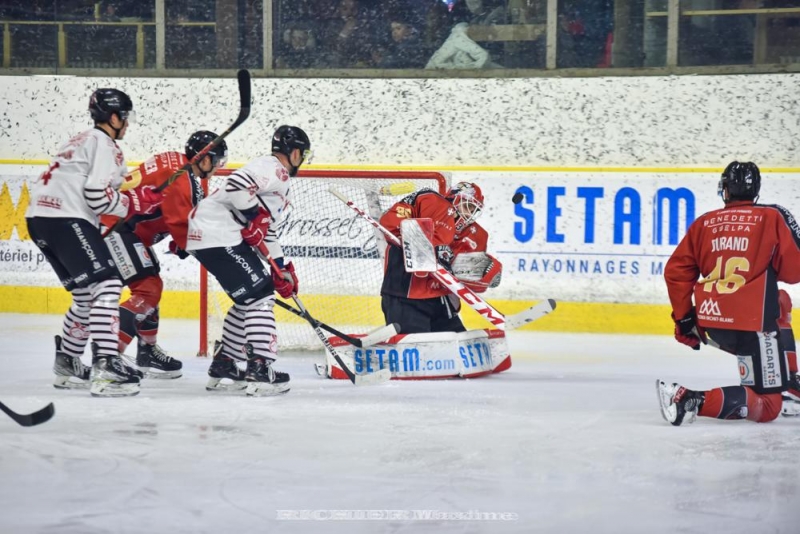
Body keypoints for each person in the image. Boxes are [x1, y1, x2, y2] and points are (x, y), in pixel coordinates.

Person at [25, 88, 162, 397]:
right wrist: (133, 205)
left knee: (86, 295)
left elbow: (102, 190)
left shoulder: (81, 140)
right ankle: (107, 364)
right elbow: (97, 197)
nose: (127, 124)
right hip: (66, 217)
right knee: (109, 284)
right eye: (124, 118)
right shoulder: (105, 144)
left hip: (39, 220)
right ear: (113, 117)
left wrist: (134, 199)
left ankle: (68, 362)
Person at [658, 161, 800, 425]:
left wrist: (684, 320)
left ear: (725, 189)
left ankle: (789, 382)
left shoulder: (705, 222)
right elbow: (794, 272)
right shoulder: (771, 216)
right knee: (769, 407)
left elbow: (676, 272)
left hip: (712, 323)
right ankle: (688, 399)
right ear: (755, 190)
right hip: (753, 327)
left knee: (781, 301)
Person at [185, 125, 312, 396]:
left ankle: (226, 363)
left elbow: (267, 229)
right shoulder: (273, 168)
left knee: (248, 299)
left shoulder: (276, 179)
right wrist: (255, 215)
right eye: (304, 155)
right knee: (261, 297)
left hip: (209, 234)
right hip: (218, 232)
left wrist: (282, 268)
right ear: (296, 152)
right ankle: (261, 368)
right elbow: (236, 185)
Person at [101, 131, 228, 380]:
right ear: (204, 159)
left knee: (151, 283)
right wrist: (206, 252)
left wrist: (180, 239)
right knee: (148, 289)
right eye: (215, 160)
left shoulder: (177, 163)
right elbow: (182, 226)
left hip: (126, 228)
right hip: (116, 227)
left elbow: (168, 211)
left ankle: (146, 352)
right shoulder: (182, 180)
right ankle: (108, 360)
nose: (216, 168)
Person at [379, 181, 502, 334]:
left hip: (441, 301)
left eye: (473, 210)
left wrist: (483, 273)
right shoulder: (429, 200)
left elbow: (462, 277)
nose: (469, 214)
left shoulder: (476, 235)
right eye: (467, 206)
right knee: (415, 352)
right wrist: (427, 244)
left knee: (458, 352)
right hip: (404, 295)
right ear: (454, 198)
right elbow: (389, 224)